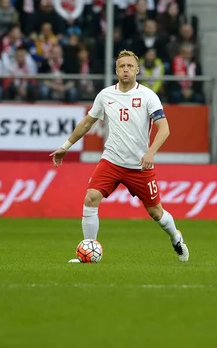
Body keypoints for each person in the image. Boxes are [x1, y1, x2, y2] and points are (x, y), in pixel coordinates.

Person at [50, 50, 189, 263]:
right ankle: (88, 250)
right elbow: (87, 123)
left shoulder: (148, 96)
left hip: (139, 166)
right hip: (112, 161)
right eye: (122, 66)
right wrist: (65, 146)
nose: (126, 70)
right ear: (116, 70)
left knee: (156, 213)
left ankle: (176, 237)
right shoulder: (106, 95)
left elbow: (164, 129)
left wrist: (150, 152)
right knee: (91, 198)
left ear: (137, 69)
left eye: (130, 66)